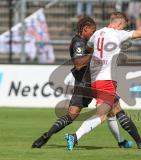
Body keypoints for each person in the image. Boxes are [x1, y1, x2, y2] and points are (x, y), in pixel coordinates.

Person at [65, 12, 141, 150]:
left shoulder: (96, 34)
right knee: (102, 115)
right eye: (123, 27)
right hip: (106, 81)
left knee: (115, 110)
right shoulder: (118, 34)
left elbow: (88, 49)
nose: (123, 29)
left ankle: (139, 143)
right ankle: (74, 137)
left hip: (94, 80)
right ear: (119, 24)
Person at [32, 16, 132, 149]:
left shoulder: (88, 41)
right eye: (92, 31)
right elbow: (78, 64)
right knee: (73, 114)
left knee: (113, 110)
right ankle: (47, 136)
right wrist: (96, 54)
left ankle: (122, 142)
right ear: (85, 29)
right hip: (85, 83)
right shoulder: (78, 43)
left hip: (92, 81)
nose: (93, 34)